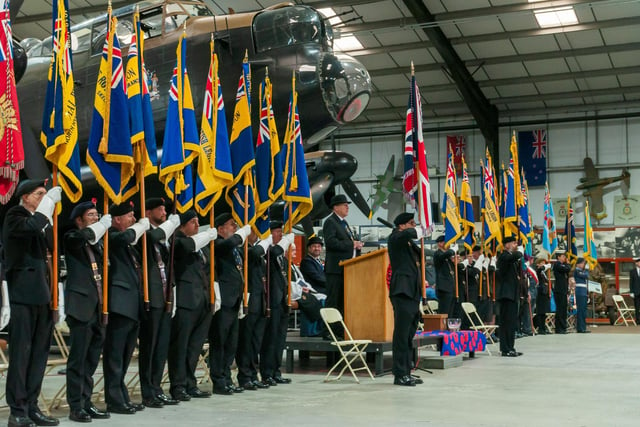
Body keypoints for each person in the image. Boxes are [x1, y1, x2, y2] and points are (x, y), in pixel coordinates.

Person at [3, 179, 62, 427]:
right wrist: (47, 203)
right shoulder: (15, 216)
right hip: (23, 296)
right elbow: (31, 226)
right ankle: (17, 410)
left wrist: (56, 297)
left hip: (43, 297)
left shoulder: (43, 222)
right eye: (39, 194)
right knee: (21, 356)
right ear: (25, 196)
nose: (42, 198)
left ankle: (32, 406)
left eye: (44, 195)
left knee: (39, 356)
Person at [64, 200, 112, 422]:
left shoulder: (97, 243)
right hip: (80, 307)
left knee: (92, 359)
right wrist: (100, 226)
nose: (96, 218)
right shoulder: (72, 237)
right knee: (78, 360)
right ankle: (76, 406)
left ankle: (86, 401)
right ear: (79, 219)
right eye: (91, 215)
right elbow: (80, 238)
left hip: (97, 307)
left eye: (97, 214)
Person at [103, 201, 149, 414]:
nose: (133, 219)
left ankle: (121, 394)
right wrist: (139, 227)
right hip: (119, 305)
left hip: (132, 305)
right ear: (117, 219)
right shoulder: (111, 235)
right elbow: (124, 237)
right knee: (115, 355)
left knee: (125, 355)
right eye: (129, 216)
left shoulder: (129, 244)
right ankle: (114, 398)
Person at [167, 210, 217, 400]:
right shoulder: (178, 241)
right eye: (193, 222)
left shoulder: (201, 245)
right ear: (182, 225)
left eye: (198, 222)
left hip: (202, 300)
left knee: (194, 346)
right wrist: (207, 235)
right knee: (180, 346)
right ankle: (178, 385)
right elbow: (186, 247)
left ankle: (190, 383)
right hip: (185, 301)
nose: (197, 225)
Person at [137, 198, 180, 408]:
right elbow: (152, 237)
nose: (164, 212)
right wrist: (170, 225)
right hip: (151, 297)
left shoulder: (165, 235)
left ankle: (157, 387)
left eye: (165, 209)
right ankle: (147, 391)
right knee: (150, 346)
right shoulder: (143, 231)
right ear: (148, 211)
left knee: (161, 346)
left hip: (165, 297)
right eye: (160, 209)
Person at [209, 213, 251, 395]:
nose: (234, 227)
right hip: (223, 301)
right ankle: (218, 380)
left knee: (231, 343)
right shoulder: (218, 244)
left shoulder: (235, 249)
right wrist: (241, 234)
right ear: (220, 229)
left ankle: (226, 377)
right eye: (231, 225)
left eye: (235, 225)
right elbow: (228, 243)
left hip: (235, 300)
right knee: (220, 342)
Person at [387, 212, 424, 387]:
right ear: (401, 225)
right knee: (401, 335)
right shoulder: (395, 238)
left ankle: (407, 370)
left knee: (409, 334)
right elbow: (409, 234)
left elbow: (424, 252)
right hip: (402, 291)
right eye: (411, 223)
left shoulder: (408, 242)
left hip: (412, 292)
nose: (414, 225)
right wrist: (421, 228)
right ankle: (399, 374)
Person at [260, 221, 295, 386]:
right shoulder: (268, 251)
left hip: (282, 302)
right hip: (271, 302)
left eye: (282, 232)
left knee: (280, 340)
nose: (281, 235)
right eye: (277, 232)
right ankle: (267, 372)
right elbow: (273, 252)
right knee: (271, 339)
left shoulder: (282, 256)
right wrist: (285, 242)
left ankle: (276, 371)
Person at [235, 230, 271, 391]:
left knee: (255, 342)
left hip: (259, 300)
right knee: (246, 341)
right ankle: (244, 375)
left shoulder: (256, 252)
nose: (257, 233)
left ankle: (252, 373)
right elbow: (254, 254)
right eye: (253, 230)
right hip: (248, 301)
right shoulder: (243, 250)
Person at [322, 194, 363, 317]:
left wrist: (357, 246)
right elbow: (331, 242)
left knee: (341, 300)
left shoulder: (343, 223)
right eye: (344, 205)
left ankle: (340, 330)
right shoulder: (330, 222)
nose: (347, 207)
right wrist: (352, 244)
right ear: (335, 207)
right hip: (335, 269)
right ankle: (329, 331)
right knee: (333, 300)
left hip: (345, 268)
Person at [496, 236, 523, 357]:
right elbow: (514, 256)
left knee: (511, 323)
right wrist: (520, 251)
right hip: (506, 295)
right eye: (513, 243)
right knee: (506, 323)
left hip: (512, 294)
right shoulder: (503, 256)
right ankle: (505, 349)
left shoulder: (510, 258)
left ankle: (511, 347)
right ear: (506, 245)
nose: (515, 245)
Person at [433, 235, 456, 318]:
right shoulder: (438, 254)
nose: (448, 244)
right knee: (444, 311)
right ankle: (442, 330)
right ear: (440, 243)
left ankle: (448, 329)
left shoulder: (448, 257)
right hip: (444, 288)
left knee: (450, 312)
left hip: (450, 287)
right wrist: (452, 250)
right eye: (446, 242)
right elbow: (444, 256)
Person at [552, 251, 571, 334]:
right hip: (559, 290)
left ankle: (563, 327)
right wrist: (568, 264)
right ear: (558, 257)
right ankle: (559, 328)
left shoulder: (562, 265)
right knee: (560, 309)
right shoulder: (557, 264)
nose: (564, 258)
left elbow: (567, 271)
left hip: (563, 290)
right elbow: (567, 269)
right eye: (563, 256)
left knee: (563, 309)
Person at [534, 258, 552, 335]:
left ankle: (543, 327)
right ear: (538, 264)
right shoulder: (537, 271)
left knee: (543, 312)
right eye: (542, 263)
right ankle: (540, 328)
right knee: (540, 311)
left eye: (544, 263)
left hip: (544, 293)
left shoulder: (543, 273)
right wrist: (545, 266)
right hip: (540, 293)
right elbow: (539, 270)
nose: (543, 265)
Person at [574, 258, 591, 333]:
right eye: (582, 263)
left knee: (583, 311)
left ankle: (583, 327)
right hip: (580, 292)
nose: (583, 265)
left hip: (583, 292)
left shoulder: (582, 271)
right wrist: (587, 270)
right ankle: (580, 328)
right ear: (578, 264)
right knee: (580, 310)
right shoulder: (577, 271)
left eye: (584, 264)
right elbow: (586, 276)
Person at [629, 258, 640, 323]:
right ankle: (638, 320)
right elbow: (631, 282)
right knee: (637, 307)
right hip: (636, 292)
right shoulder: (632, 271)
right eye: (639, 262)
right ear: (636, 263)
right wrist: (631, 292)